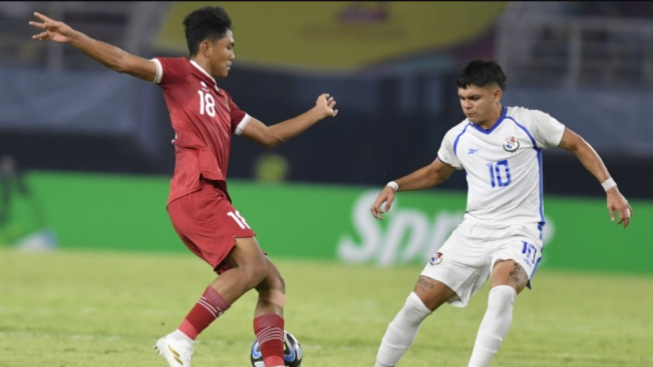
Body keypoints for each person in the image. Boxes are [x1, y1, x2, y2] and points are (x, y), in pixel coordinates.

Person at [30, 6, 338, 367]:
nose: (234, 55)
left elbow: (269, 135)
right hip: (196, 191)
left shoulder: (223, 101)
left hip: (210, 196)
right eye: (229, 46)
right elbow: (122, 61)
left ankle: (272, 364)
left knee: (272, 283)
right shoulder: (178, 73)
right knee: (253, 266)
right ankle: (180, 339)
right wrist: (76, 36)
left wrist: (316, 113)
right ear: (206, 47)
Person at [369, 59, 632, 367]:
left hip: (519, 232)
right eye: (462, 99)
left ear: (496, 95)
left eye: (474, 98)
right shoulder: (457, 136)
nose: (467, 106)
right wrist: (394, 185)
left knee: (502, 296)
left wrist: (610, 187)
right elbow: (436, 172)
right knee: (414, 306)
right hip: (472, 232)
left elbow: (577, 144)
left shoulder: (529, 123)